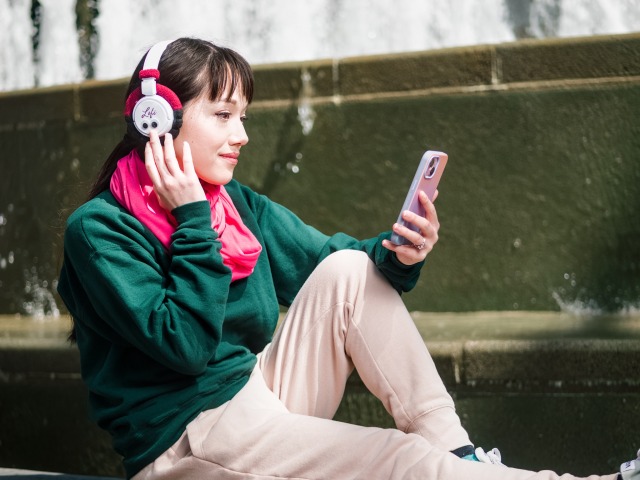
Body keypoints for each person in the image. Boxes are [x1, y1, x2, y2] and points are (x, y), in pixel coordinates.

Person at [57, 37, 637, 480]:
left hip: (252, 399)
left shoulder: (230, 203)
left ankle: (459, 454)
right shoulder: (101, 230)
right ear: (156, 118)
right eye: (223, 115)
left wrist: (399, 250)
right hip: (187, 442)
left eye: (244, 117)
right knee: (400, 460)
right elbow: (185, 348)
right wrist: (188, 223)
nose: (242, 135)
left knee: (350, 271)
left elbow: (333, 262)